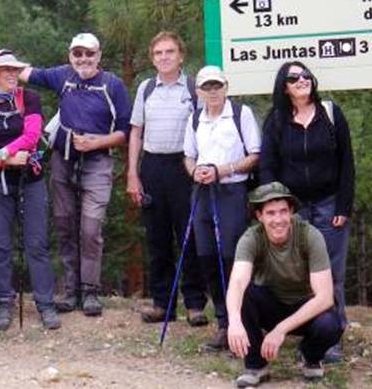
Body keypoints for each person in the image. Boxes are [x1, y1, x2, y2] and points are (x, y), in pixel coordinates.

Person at [19, 32, 131, 316]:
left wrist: (97, 142)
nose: (83, 59)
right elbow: (26, 73)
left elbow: (125, 131)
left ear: (99, 56)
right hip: (63, 159)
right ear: (70, 56)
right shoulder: (63, 76)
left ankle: (90, 291)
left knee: (91, 229)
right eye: (77, 54)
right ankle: (70, 291)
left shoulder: (112, 84)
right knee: (65, 225)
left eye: (89, 54)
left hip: (97, 162)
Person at [258, 61, 354, 362]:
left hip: (329, 205)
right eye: (293, 77)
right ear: (283, 87)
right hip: (292, 210)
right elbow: (268, 167)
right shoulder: (275, 120)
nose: (302, 80)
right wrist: (273, 208)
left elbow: (347, 163)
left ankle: (331, 337)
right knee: (297, 275)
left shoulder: (331, 113)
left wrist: (343, 205)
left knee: (331, 274)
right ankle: (302, 332)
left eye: (305, 75)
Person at [0, 49, 60, 331]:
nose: (11, 74)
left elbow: (32, 135)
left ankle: (46, 304)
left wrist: (2, 153)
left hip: (29, 180)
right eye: (5, 70)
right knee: (0, 246)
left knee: (37, 244)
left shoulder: (28, 98)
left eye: (14, 69)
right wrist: (0, 158)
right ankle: (3, 303)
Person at [127, 31, 208, 326]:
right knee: (157, 238)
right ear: (152, 58)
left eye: (170, 52)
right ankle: (163, 304)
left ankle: (196, 304)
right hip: (152, 166)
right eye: (158, 53)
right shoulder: (146, 89)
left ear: (181, 55)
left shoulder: (193, 88)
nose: (164, 57)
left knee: (189, 236)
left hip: (183, 167)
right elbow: (136, 131)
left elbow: (205, 129)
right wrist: (133, 174)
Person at [227, 182, 342, 387]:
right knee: (244, 296)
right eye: (270, 213)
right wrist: (234, 321)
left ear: (291, 212)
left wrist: (280, 330)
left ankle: (310, 356)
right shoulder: (251, 238)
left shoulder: (310, 235)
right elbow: (237, 282)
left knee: (331, 324)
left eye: (283, 212)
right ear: (259, 216)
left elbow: (324, 297)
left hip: (305, 307)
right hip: (271, 303)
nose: (278, 219)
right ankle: (256, 365)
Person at [183, 65, 260, 351]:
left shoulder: (241, 114)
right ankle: (224, 323)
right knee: (206, 256)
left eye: (217, 86)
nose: (213, 92)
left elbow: (254, 155)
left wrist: (223, 170)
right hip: (202, 191)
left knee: (231, 257)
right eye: (207, 87)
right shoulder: (194, 118)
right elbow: (189, 156)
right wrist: (195, 172)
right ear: (198, 92)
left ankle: (243, 323)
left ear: (226, 87)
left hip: (231, 191)